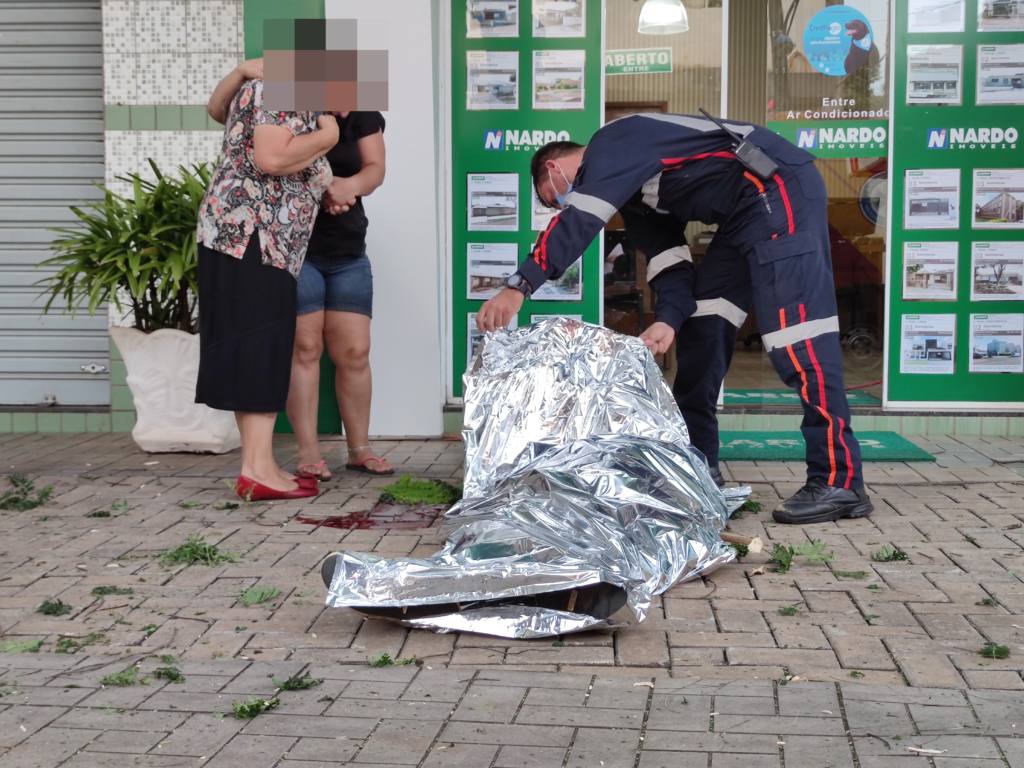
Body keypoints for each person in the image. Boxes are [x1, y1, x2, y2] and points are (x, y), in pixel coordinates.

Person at [477, 113, 873, 525]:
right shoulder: (636, 197)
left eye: (555, 196)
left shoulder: (613, 143)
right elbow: (672, 266)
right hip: (744, 215)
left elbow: (580, 220)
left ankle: (838, 480)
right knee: (703, 328)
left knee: (798, 335)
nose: (562, 201)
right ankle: (701, 470)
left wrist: (519, 285)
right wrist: (667, 319)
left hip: (777, 187)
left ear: (554, 167)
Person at [211, 65, 392, 479]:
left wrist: (349, 188)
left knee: (354, 351)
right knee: (304, 349)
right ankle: (309, 453)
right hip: (292, 247)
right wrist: (240, 72)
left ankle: (359, 448)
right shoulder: (283, 105)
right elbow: (221, 113)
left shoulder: (360, 110)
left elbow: (375, 168)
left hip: (347, 248)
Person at [196, 60, 338, 501]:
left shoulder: (279, 94)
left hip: (247, 238)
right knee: (258, 346)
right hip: (253, 238)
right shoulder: (286, 92)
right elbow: (272, 158)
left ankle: (259, 464)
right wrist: (329, 135)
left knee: (254, 345)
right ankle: (256, 469)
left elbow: (218, 111)